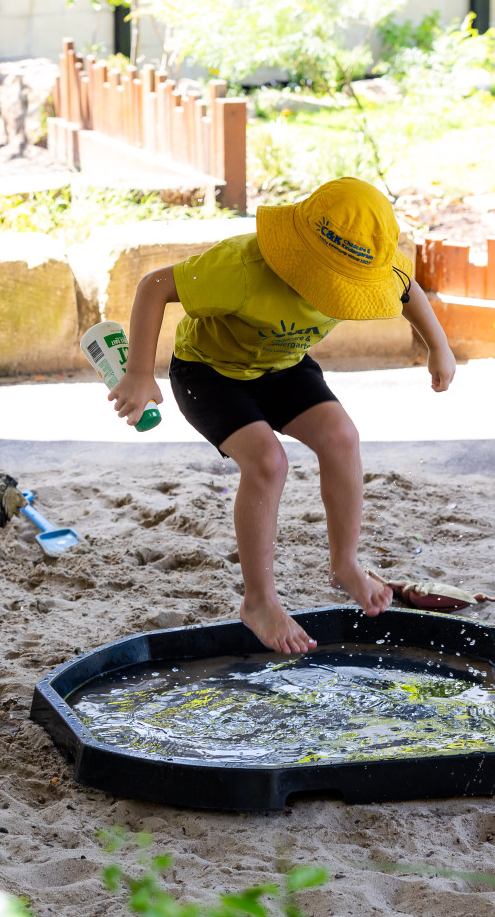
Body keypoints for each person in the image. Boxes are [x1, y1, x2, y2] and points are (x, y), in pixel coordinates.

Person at [106, 177, 457, 654]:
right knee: (268, 463)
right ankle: (259, 602)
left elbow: (405, 288)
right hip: (209, 373)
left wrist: (438, 345)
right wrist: (139, 373)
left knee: (342, 438)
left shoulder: (371, 263)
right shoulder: (243, 267)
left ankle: (345, 564)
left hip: (281, 366)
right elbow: (155, 286)